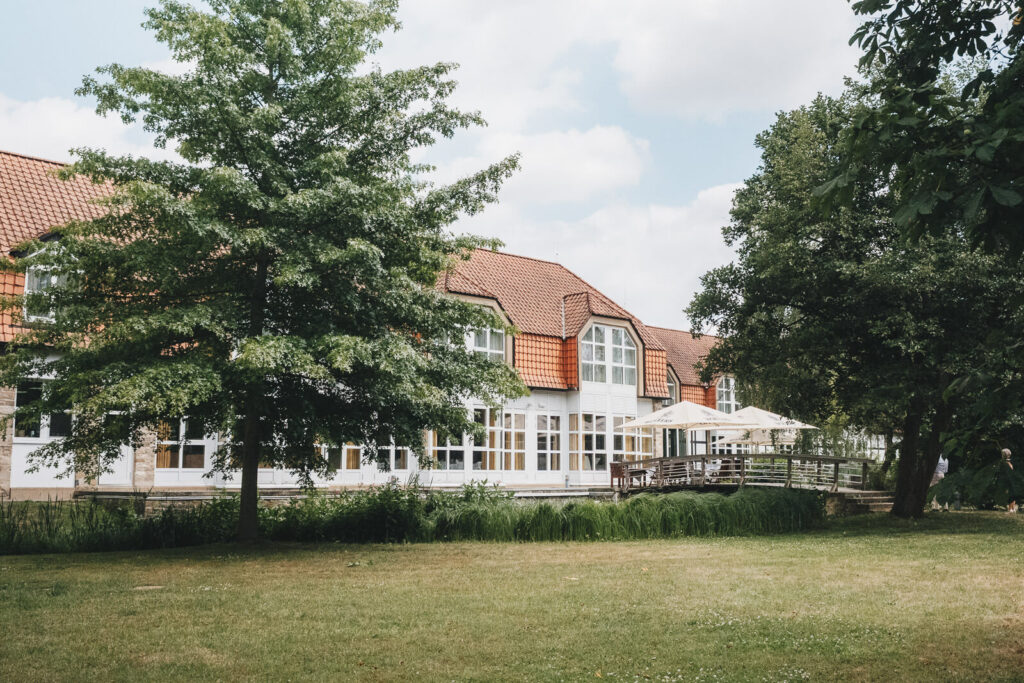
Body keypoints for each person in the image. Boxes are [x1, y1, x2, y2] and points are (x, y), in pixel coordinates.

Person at [1002, 449, 1018, 514]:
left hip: (1010, 481)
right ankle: (1012, 509)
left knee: (1010, 494)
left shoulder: (1007, 463)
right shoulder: (1009, 462)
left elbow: (1008, 473)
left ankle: (1010, 509)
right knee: (1012, 494)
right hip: (1012, 480)